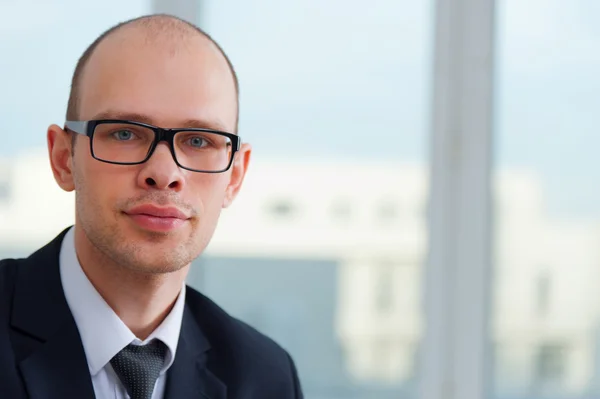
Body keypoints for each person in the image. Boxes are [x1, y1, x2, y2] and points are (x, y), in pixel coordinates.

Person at [0, 14, 303, 399]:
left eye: (198, 141)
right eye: (124, 133)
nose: (164, 173)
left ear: (235, 177)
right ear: (63, 159)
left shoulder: (264, 376)